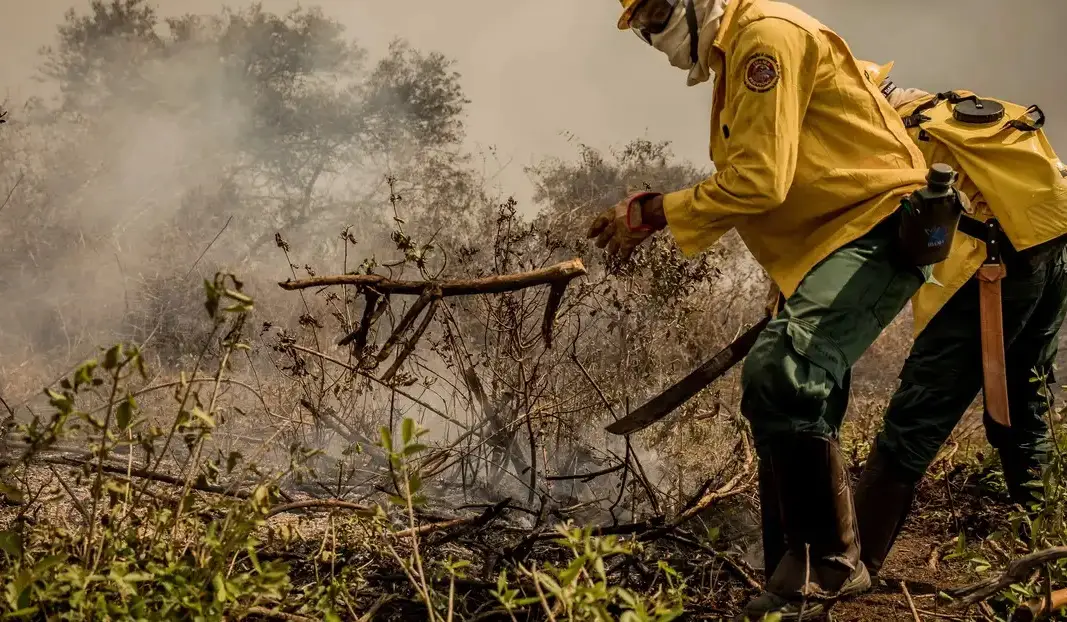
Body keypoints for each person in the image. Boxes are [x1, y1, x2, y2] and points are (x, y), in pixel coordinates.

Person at [588, 0, 941, 618]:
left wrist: (657, 212)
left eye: (659, 12)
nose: (653, 32)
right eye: (641, 24)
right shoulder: (737, 54)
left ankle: (830, 567)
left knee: (782, 373)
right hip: (834, 238)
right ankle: (788, 575)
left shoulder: (763, 41)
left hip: (877, 225)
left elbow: (759, 181)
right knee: (794, 391)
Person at [848, 61, 1067, 579]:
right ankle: (1051, 541)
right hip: (1050, 252)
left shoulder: (889, 136)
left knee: (916, 415)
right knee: (1021, 402)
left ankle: (847, 566)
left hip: (990, 272)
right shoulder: (943, 106)